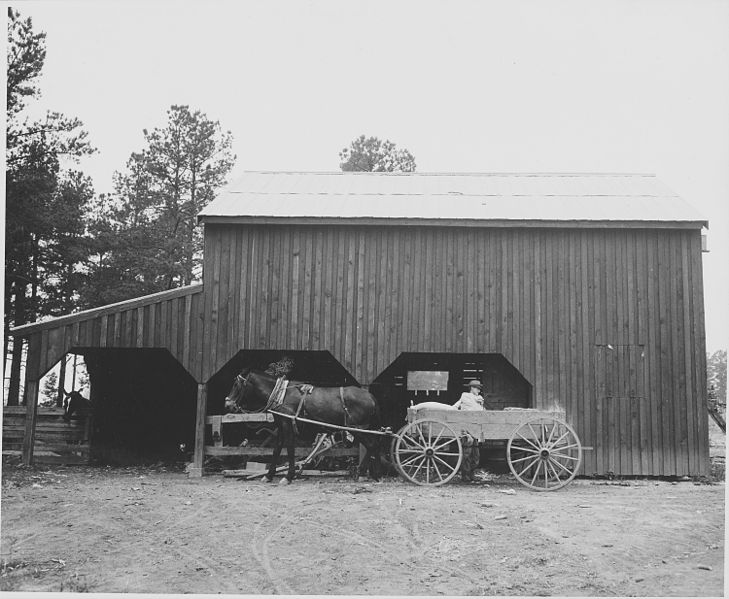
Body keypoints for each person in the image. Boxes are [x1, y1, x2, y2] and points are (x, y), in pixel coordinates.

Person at [453, 380, 484, 481]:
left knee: (475, 454)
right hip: (466, 429)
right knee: (467, 453)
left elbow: (483, 413)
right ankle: (465, 475)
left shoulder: (479, 400)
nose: (478, 391)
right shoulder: (466, 396)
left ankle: (471, 474)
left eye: (479, 389)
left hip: (475, 429)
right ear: (472, 388)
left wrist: (480, 403)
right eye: (477, 388)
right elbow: (458, 407)